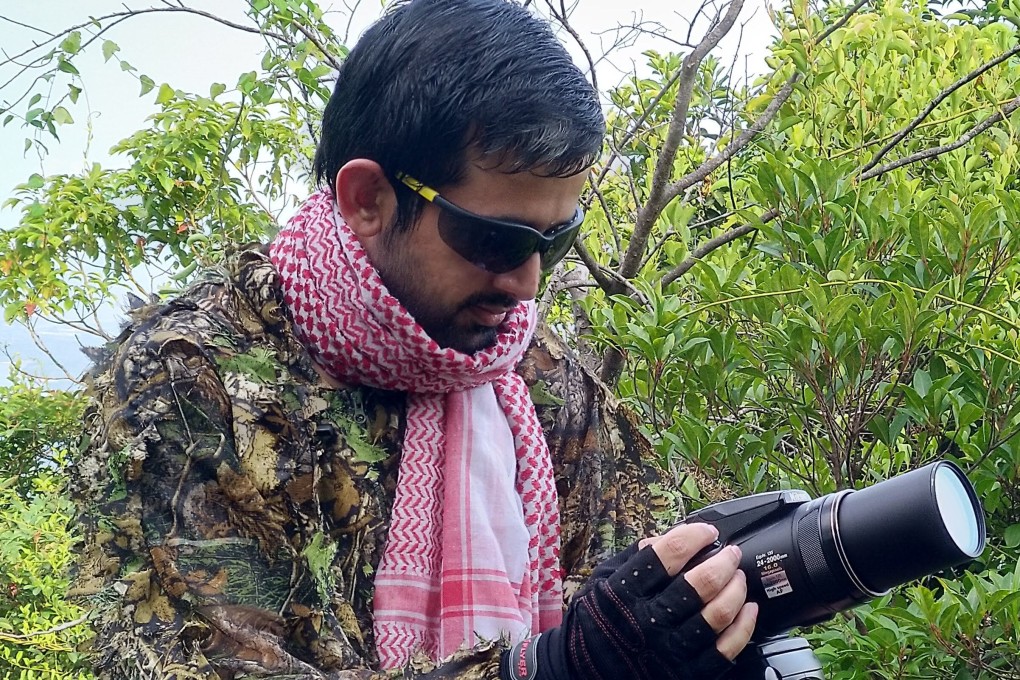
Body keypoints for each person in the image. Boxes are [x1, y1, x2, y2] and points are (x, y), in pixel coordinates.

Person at [70, 0, 757, 678]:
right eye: (495, 239)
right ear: (367, 198)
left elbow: (648, 576)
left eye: (557, 239)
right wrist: (551, 669)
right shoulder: (192, 382)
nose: (527, 284)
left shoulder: (538, 379)